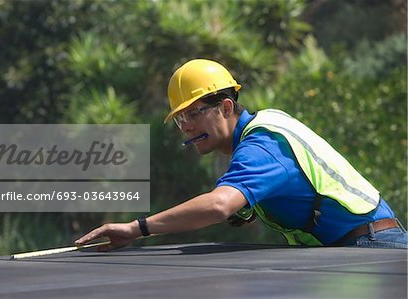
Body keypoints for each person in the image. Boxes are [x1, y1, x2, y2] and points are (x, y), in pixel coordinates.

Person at [75, 59, 407, 250]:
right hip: (356, 246)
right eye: (180, 118)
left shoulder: (261, 146)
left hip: (371, 247)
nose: (187, 126)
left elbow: (219, 205)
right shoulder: (267, 126)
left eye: (195, 113)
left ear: (226, 107)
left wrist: (136, 228)